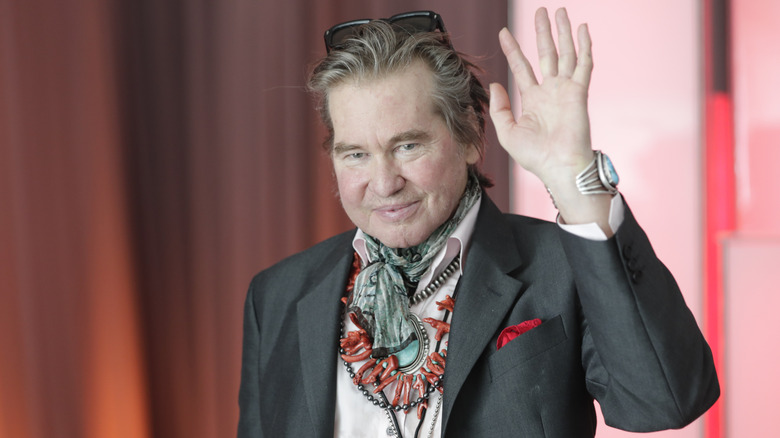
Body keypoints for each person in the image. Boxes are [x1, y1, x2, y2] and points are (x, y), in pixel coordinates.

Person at [237, 7, 719, 438]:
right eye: (356, 154)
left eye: (408, 145)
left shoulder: (563, 266)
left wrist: (574, 180)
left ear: (469, 136)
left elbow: (666, 401)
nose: (384, 183)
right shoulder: (276, 296)